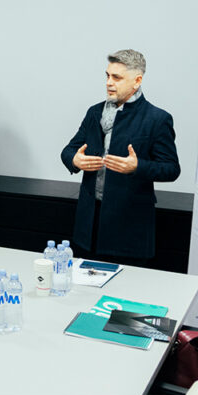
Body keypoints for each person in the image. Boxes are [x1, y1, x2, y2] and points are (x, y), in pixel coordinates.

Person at [60, 49, 180, 265]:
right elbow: (69, 150)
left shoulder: (157, 119)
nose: (109, 82)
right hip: (90, 222)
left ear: (137, 81)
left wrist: (137, 166)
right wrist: (75, 160)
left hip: (128, 226)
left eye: (117, 77)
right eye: (107, 76)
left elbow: (171, 168)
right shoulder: (94, 112)